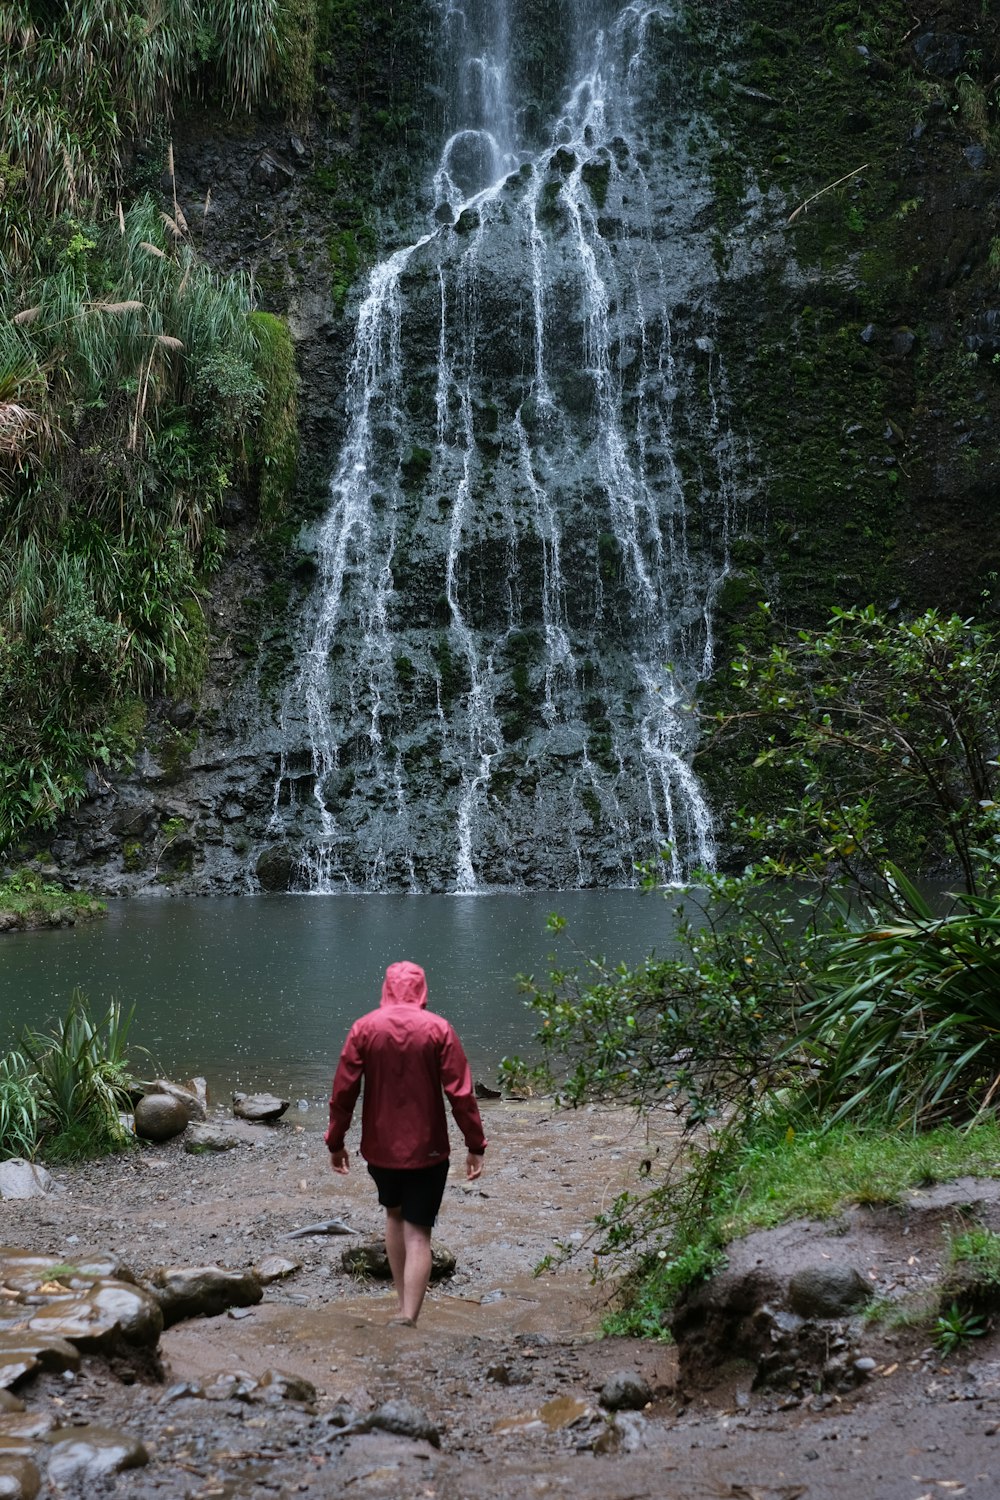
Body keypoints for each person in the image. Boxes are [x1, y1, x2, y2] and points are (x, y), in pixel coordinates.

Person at [326, 959, 487, 1326]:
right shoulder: (438, 1029)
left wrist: (336, 1142)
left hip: (380, 1150)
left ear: (386, 988)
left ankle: (402, 1307)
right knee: (419, 1233)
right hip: (428, 1150)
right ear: (422, 990)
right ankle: (409, 1316)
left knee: (394, 1215)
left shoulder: (364, 1028)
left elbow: (343, 1092)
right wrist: (475, 1144)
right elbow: (461, 1094)